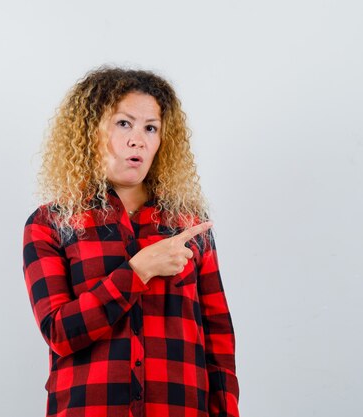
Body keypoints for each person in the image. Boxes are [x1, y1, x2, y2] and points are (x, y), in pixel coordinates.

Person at [22, 66, 239, 417]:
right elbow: (61, 332)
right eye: (124, 123)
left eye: (150, 128)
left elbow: (218, 343)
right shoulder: (51, 224)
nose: (137, 139)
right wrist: (139, 270)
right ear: (89, 131)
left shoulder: (188, 225)